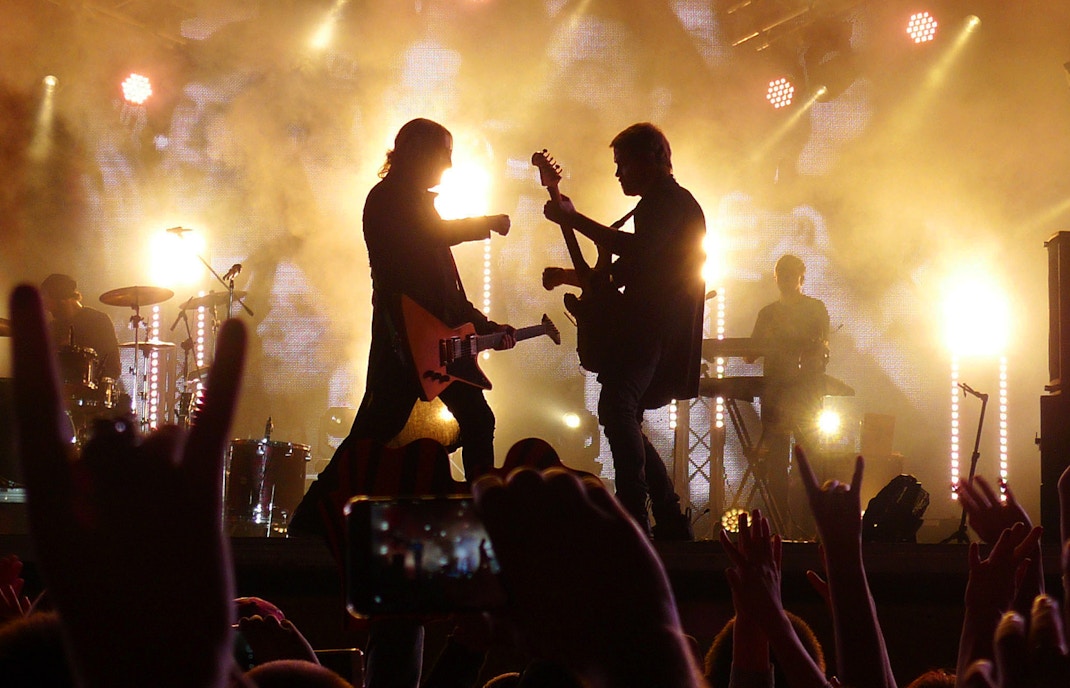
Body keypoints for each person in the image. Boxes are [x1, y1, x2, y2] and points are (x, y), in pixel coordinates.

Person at [293, 119, 515, 536]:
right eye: (443, 153)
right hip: (405, 339)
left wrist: (485, 325)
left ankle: (482, 519)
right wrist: (484, 222)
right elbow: (428, 236)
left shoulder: (416, 202)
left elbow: (447, 293)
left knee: (469, 420)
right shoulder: (387, 199)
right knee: (374, 433)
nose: (449, 165)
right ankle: (307, 520)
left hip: (434, 341)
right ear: (415, 150)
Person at [541, 122, 706, 540]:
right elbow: (632, 269)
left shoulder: (666, 203)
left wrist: (575, 219)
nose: (618, 175)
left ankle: (637, 517)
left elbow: (638, 251)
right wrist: (571, 275)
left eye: (623, 164)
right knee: (622, 414)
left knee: (617, 410)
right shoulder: (663, 204)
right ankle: (666, 516)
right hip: (650, 327)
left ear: (650, 159)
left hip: (654, 329)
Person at [744, 254, 829, 537]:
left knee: (809, 461)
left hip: (804, 393)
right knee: (777, 464)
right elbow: (750, 353)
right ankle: (779, 529)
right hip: (777, 393)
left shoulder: (815, 309)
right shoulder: (767, 314)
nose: (787, 279)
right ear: (776, 277)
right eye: (782, 273)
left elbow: (821, 349)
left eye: (791, 274)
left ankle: (808, 528)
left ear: (801, 277)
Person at [39, 273, 120, 380]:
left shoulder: (99, 321)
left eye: (49, 302)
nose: (47, 308)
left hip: (94, 391)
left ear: (62, 299)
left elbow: (113, 367)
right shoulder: (52, 328)